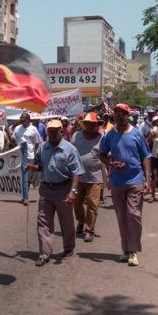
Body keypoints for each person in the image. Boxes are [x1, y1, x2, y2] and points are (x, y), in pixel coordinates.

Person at [99, 103, 152, 267]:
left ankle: (134, 250)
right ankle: (126, 250)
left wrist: (147, 180)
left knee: (133, 214)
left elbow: (146, 156)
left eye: (122, 113)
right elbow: (102, 154)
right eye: (116, 112)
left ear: (127, 115)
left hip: (135, 180)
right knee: (122, 217)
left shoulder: (136, 133)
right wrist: (110, 163)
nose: (118, 115)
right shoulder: (110, 134)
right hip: (117, 182)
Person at [27, 119, 85, 266]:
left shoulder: (69, 149)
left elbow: (76, 172)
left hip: (64, 189)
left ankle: (68, 247)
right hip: (46, 189)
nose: (52, 133)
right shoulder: (43, 148)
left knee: (66, 222)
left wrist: (73, 191)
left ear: (61, 131)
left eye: (55, 130)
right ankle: (44, 254)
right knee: (43, 222)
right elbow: (40, 165)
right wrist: (33, 167)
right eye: (49, 131)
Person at [71, 112, 104, 243]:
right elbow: (70, 153)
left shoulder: (102, 138)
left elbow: (107, 155)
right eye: (88, 124)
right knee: (76, 203)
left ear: (98, 125)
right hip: (77, 177)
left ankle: (89, 230)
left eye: (94, 124)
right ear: (84, 125)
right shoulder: (76, 136)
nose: (91, 126)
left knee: (93, 204)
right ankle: (81, 220)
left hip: (95, 177)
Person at [13, 112, 42, 205]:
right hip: (19, 155)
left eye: (23, 118)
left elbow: (37, 143)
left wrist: (36, 156)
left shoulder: (33, 129)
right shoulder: (17, 128)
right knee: (23, 177)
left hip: (29, 155)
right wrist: (7, 132)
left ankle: (25, 197)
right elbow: (13, 140)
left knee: (26, 176)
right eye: (21, 118)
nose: (21, 120)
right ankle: (25, 196)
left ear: (28, 119)